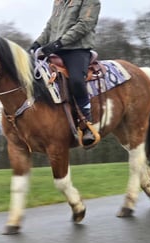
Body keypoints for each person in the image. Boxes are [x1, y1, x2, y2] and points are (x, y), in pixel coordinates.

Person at [30, 0, 101, 146]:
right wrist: (37, 43)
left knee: (76, 80)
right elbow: (50, 27)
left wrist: (59, 43)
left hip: (77, 49)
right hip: (56, 50)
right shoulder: (59, 2)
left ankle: (86, 123)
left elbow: (84, 25)